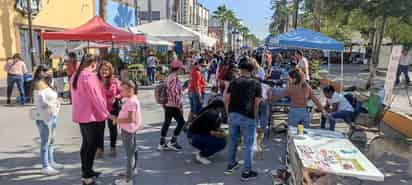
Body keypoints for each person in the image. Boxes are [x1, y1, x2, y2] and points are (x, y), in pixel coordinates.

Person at [71, 55, 110, 185]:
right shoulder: (89, 76)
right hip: (91, 115)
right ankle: (87, 177)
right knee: (91, 146)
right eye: (97, 64)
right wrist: (106, 113)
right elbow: (96, 97)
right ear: (93, 63)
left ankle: (87, 170)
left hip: (82, 114)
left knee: (86, 144)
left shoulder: (76, 75)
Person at [224, 58, 261, 181]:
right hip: (247, 115)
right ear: (252, 70)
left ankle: (231, 164)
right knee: (248, 144)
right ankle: (246, 172)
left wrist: (228, 114)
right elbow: (256, 103)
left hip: (233, 114)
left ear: (241, 70)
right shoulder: (256, 83)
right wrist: (255, 117)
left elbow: (227, 99)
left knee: (233, 140)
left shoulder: (234, 82)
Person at [32, 65, 63, 175]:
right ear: (41, 72)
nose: (50, 72)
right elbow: (40, 103)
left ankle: (51, 161)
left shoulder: (47, 82)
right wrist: (53, 104)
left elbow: (52, 97)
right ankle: (45, 166)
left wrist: (56, 100)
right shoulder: (38, 84)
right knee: (45, 142)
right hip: (44, 117)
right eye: (48, 71)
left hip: (52, 115)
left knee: (51, 140)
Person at [112, 81, 142, 185]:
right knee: (133, 150)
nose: (121, 92)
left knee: (129, 155)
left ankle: (128, 180)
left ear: (129, 90)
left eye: (122, 90)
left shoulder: (131, 102)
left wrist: (117, 120)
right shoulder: (132, 99)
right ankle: (132, 170)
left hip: (128, 130)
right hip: (131, 129)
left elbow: (131, 119)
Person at [187, 100, 227, 165]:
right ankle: (202, 155)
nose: (222, 110)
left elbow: (211, 128)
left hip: (192, 136)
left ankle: (204, 151)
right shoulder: (212, 114)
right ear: (218, 108)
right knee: (222, 142)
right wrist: (223, 134)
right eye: (222, 108)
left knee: (217, 139)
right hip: (195, 137)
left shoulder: (208, 111)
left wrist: (220, 131)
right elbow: (211, 132)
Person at [158, 60, 186, 151]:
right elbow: (173, 92)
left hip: (169, 104)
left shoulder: (171, 76)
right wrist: (179, 104)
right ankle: (172, 141)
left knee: (167, 122)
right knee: (181, 122)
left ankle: (162, 143)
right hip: (173, 104)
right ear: (178, 68)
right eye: (181, 68)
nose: (182, 70)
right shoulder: (173, 77)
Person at [97, 61, 122, 158]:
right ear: (99, 70)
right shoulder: (96, 81)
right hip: (99, 109)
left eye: (106, 70)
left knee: (113, 129)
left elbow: (122, 92)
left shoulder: (115, 81)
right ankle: (100, 148)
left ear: (110, 71)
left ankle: (112, 147)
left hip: (112, 108)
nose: (104, 71)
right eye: (102, 69)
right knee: (99, 130)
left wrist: (116, 97)